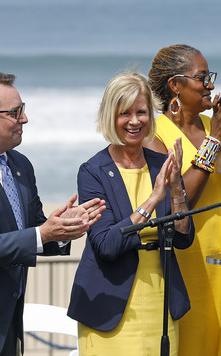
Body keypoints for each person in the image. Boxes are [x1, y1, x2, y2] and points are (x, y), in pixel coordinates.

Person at [0, 70, 105, 356]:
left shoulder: (20, 165)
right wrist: (43, 233)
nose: (24, 119)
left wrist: (65, 229)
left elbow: (34, 229)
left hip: (10, 322)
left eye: (23, 110)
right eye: (14, 112)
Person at [147, 45, 221, 356]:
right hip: (193, 274)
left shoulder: (214, 128)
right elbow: (180, 198)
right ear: (175, 85)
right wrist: (214, 141)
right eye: (202, 77)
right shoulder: (156, 136)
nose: (210, 85)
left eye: (210, 77)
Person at [67, 72, 194, 354]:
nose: (135, 121)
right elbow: (107, 245)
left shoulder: (164, 163)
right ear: (110, 116)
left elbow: (184, 238)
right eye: (125, 113)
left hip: (161, 303)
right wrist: (152, 201)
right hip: (109, 308)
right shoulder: (93, 172)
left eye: (141, 112)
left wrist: (175, 192)